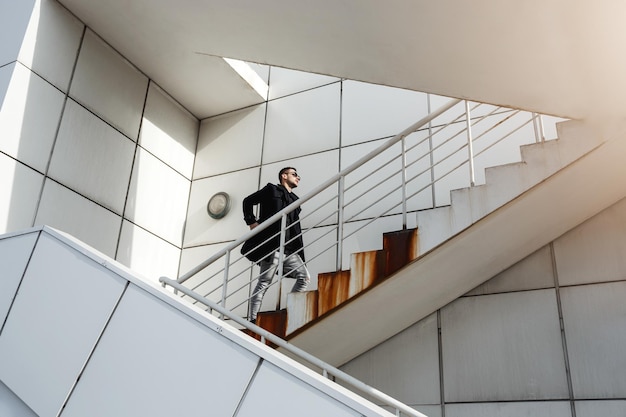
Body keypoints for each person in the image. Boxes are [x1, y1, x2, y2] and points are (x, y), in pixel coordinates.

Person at [242, 167, 310, 323]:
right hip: (271, 245)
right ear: (284, 176)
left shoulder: (295, 200)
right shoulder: (271, 190)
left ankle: (290, 311)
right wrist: (252, 222)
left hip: (289, 248)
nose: (298, 177)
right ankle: (252, 319)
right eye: (294, 174)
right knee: (264, 281)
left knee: (304, 277)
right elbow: (248, 201)